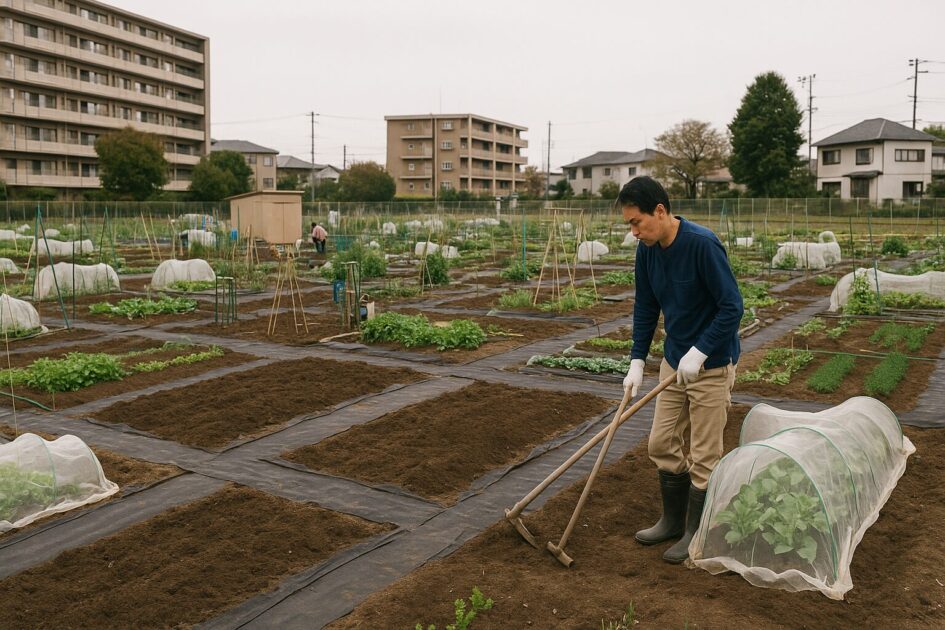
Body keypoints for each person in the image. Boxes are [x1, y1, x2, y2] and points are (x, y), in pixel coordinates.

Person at [619, 176, 743, 564]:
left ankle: (697, 530)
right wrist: (638, 359)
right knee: (660, 443)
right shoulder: (648, 250)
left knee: (706, 455)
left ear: (660, 211)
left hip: (711, 366)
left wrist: (702, 351)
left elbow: (732, 307)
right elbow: (646, 307)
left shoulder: (701, 244)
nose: (634, 232)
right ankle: (673, 521)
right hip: (674, 363)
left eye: (636, 222)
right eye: (628, 225)